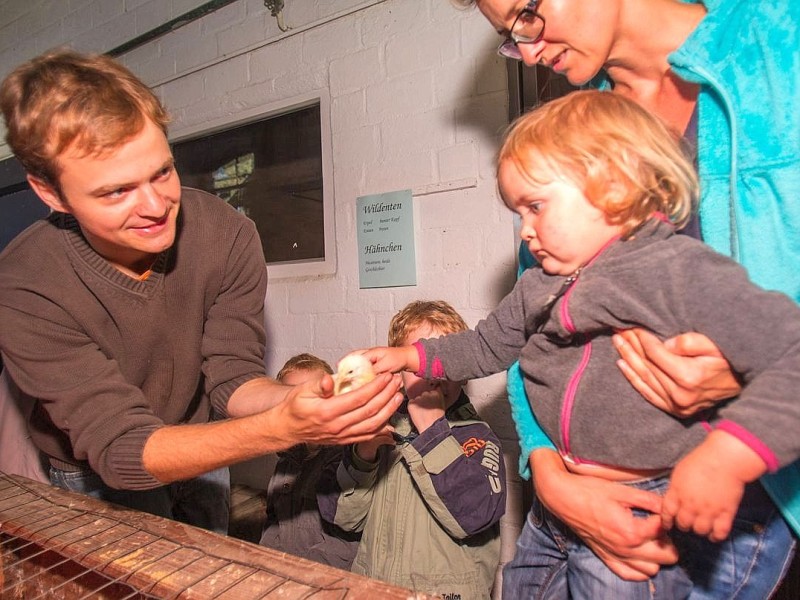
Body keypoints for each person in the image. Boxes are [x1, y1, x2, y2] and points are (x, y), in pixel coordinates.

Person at [363, 90, 800, 598]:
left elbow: (789, 357)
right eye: (517, 212)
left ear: (613, 186)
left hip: (638, 502)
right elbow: (486, 345)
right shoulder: (537, 284)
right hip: (553, 506)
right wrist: (410, 356)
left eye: (536, 206)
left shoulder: (678, 269)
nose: (525, 230)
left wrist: (728, 457)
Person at [454, 0, 800, 590]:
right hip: (586, 494)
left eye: (527, 13)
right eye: (511, 36)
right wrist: (551, 475)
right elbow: (536, 325)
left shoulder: (780, 41)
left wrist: (746, 385)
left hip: (759, 491)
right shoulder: (572, 130)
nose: (530, 50)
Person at [0, 49, 403, 533]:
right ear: (50, 193)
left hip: (204, 439)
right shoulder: (25, 285)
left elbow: (231, 379)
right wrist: (279, 428)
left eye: (162, 172)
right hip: (97, 470)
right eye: (116, 192)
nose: (155, 206)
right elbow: (121, 448)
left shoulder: (225, 233)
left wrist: (294, 402)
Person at [318, 300, 506, 599]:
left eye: (441, 361)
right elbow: (341, 517)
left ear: (464, 371)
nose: (432, 374)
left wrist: (433, 431)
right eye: (418, 364)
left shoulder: (477, 438)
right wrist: (363, 455)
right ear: (397, 372)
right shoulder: (383, 427)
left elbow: (476, 516)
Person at [259, 353, 360, 570]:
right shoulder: (285, 462)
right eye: (292, 397)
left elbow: (346, 546)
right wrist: (265, 562)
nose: (304, 407)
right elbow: (273, 523)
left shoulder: (345, 462)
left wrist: (297, 571)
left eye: (314, 396)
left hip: (323, 579)